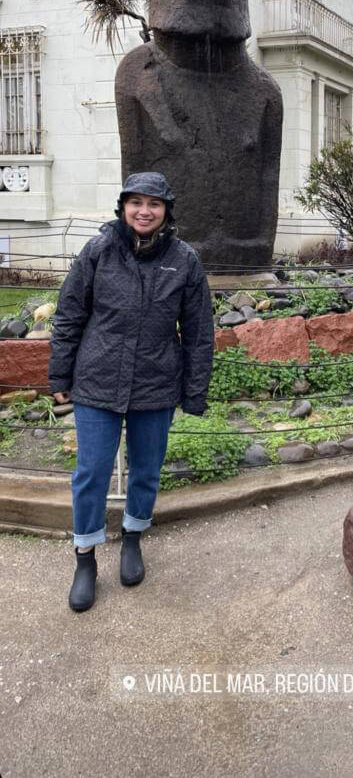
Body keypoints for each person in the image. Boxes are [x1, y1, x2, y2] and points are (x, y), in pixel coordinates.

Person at [49, 172, 214, 613]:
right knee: (92, 472)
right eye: (136, 202)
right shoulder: (99, 251)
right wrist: (60, 380)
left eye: (154, 204)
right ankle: (85, 557)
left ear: (167, 211)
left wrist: (193, 392)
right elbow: (68, 316)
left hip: (155, 384)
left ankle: (133, 538)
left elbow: (199, 333)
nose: (145, 211)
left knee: (145, 469)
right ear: (123, 207)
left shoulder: (184, 261)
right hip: (97, 381)